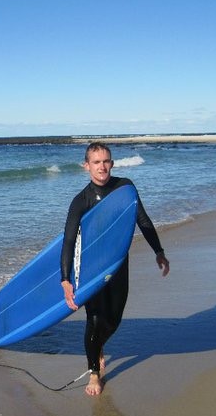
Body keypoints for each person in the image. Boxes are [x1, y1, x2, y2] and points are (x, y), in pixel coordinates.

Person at [60, 142, 170, 396]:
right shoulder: (81, 201)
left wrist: (159, 251)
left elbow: (142, 220)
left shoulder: (125, 188)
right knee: (95, 320)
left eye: (106, 161)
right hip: (91, 268)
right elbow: (68, 241)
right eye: (96, 162)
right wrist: (65, 279)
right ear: (86, 166)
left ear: (112, 162)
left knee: (114, 320)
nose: (102, 167)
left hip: (119, 264)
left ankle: (97, 347)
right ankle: (94, 374)